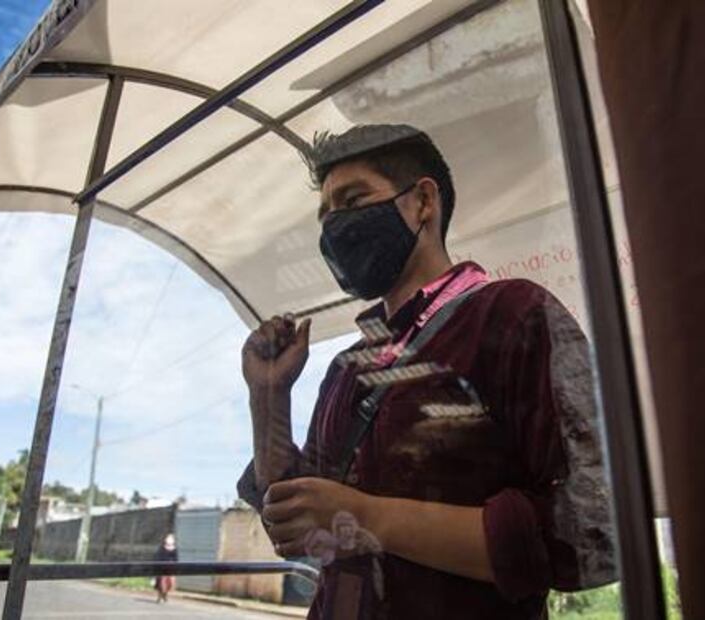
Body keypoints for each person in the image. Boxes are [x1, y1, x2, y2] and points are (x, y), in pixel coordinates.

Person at [237, 124, 614, 619]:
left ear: (422, 202)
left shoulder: (513, 314)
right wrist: (268, 398)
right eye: (325, 214)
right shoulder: (347, 366)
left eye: (353, 200)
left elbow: (596, 531)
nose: (334, 227)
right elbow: (295, 526)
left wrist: (370, 517)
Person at [153, 532, 178, 603]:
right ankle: (160, 596)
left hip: (171, 569)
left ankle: (165, 594)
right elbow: (157, 557)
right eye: (168, 538)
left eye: (171, 538)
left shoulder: (175, 549)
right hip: (162, 568)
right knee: (162, 582)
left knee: (171, 583)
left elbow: (176, 559)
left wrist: (173, 563)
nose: (170, 539)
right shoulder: (161, 548)